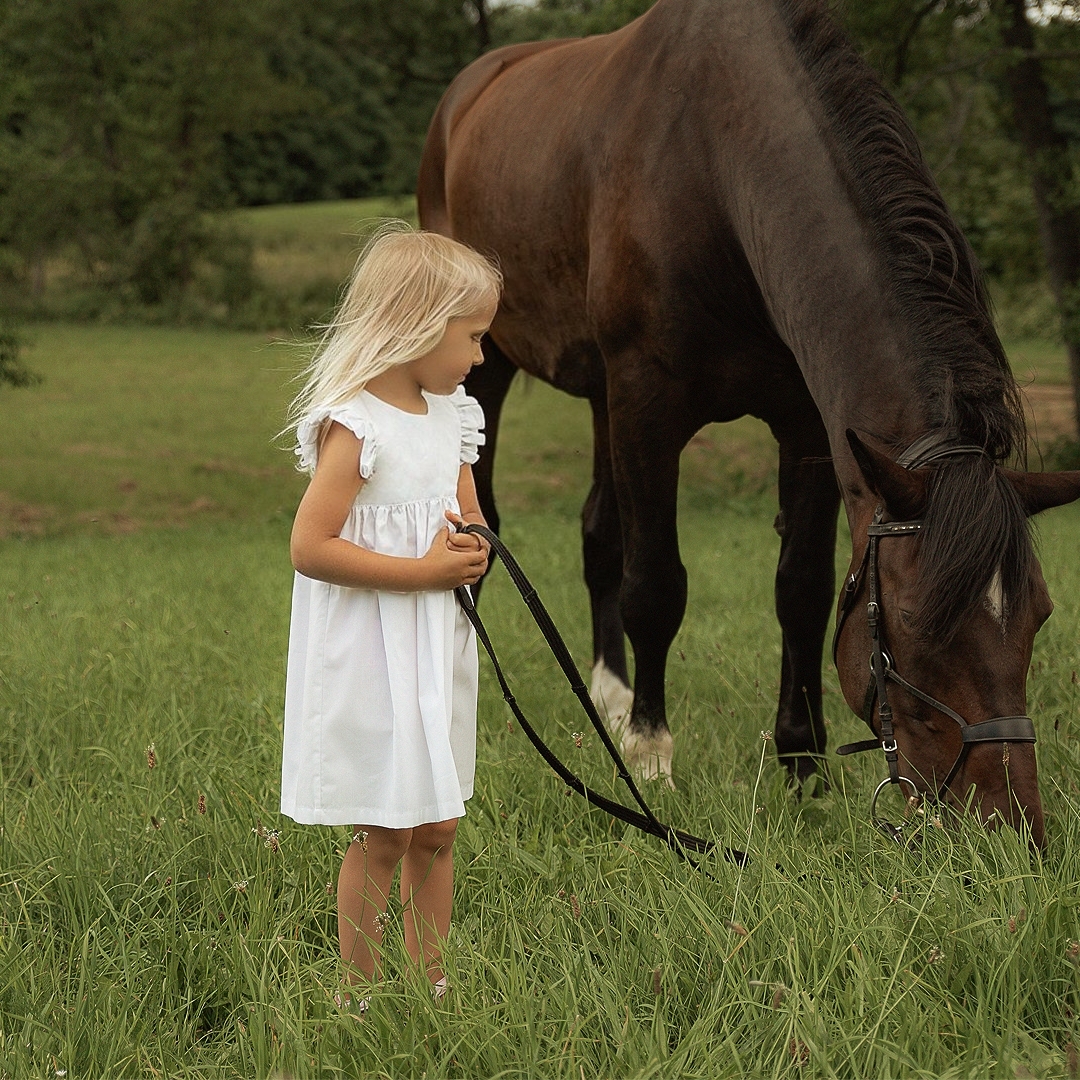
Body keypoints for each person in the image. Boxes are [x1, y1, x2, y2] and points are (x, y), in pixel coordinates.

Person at [280, 223, 500, 1012]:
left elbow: (466, 508)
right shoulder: (358, 424)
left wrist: (473, 544)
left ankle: (432, 981)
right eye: (472, 336)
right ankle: (358, 993)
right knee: (387, 831)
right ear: (418, 323)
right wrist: (419, 572)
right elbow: (310, 546)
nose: (480, 356)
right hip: (372, 648)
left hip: (434, 643)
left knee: (438, 824)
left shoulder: (455, 415)